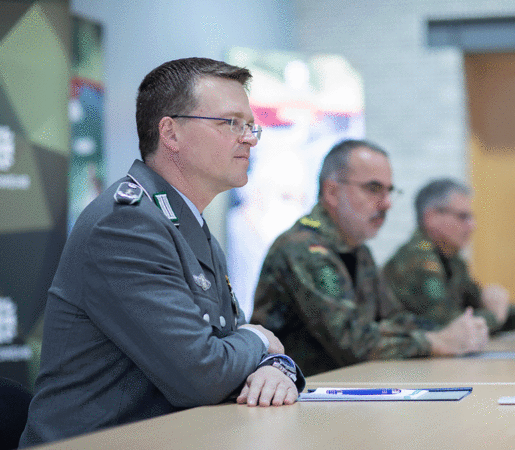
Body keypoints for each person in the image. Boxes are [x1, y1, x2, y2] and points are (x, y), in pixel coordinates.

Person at [19, 57, 304, 447]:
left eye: (250, 125)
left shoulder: (187, 223)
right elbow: (202, 375)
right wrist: (257, 340)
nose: (250, 138)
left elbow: (226, 342)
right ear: (170, 133)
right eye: (231, 123)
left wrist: (275, 366)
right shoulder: (126, 226)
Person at [251, 140, 489, 377]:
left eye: (389, 191)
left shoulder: (357, 249)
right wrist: (435, 341)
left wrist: (452, 332)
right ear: (332, 192)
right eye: (374, 189)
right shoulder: (304, 248)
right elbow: (353, 343)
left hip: (345, 390)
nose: (387, 203)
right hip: (292, 398)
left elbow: (395, 319)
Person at [382, 178, 515, 333]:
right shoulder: (417, 260)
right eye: (463, 217)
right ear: (431, 218)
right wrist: (494, 316)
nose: (472, 226)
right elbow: (447, 325)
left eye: (471, 217)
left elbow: (475, 308)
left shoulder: (452, 260)